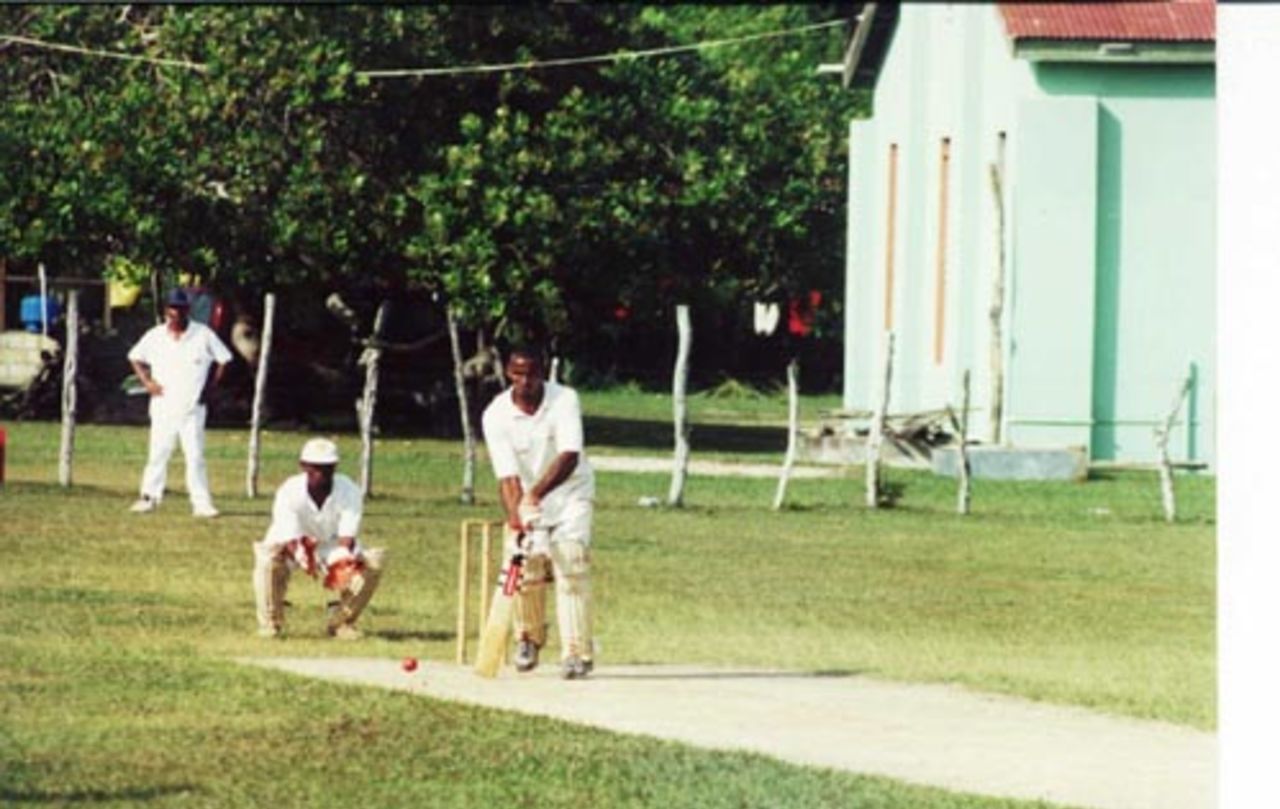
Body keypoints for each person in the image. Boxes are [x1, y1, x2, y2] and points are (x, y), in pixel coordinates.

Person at [481, 343, 596, 679]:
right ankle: (528, 638)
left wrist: (534, 495)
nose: (525, 381)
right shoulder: (495, 414)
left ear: (543, 373)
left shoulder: (565, 399)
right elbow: (506, 477)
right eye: (518, 374)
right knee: (527, 565)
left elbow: (569, 456)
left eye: (532, 374)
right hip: (529, 499)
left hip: (571, 493)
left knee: (570, 562)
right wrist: (518, 520)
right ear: (507, 373)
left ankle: (577, 652)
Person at [251, 437, 387, 640]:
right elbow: (290, 538)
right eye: (316, 468)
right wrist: (305, 559)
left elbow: (346, 537)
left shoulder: (349, 489)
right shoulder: (289, 490)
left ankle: (341, 623)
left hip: (331, 544)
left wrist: (342, 563)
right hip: (292, 542)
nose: (322, 474)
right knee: (267, 559)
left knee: (372, 564)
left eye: (328, 468)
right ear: (303, 466)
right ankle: (271, 622)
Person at [127, 288, 233, 517]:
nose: (177, 313)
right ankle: (149, 497)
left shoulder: (203, 334)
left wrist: (211, 388)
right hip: (163, 405)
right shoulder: (155, 335)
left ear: (188, 310)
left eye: (181, 308)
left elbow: (224, 359)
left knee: (194, 456)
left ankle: (201, 503)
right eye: (173, 308)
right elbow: (135, 357)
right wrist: (147, 382)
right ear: (166, 310)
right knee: (158, 453)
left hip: (193, 408)